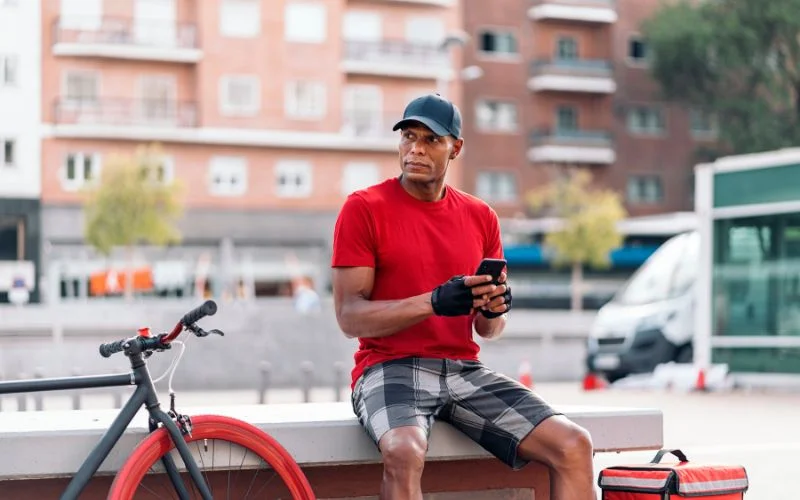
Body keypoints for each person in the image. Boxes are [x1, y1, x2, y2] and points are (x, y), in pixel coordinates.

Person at [330, 93, 595, 500]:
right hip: (388, 367)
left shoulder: (480, 216)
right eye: (408, 137)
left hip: (462, 370)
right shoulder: (364, 208)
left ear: (455, 148)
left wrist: (495, 307)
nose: (415, 149)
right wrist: (433, 302)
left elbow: (488, 330)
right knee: (403, 451)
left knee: (574, 445)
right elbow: (350, 317)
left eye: (430, 140)